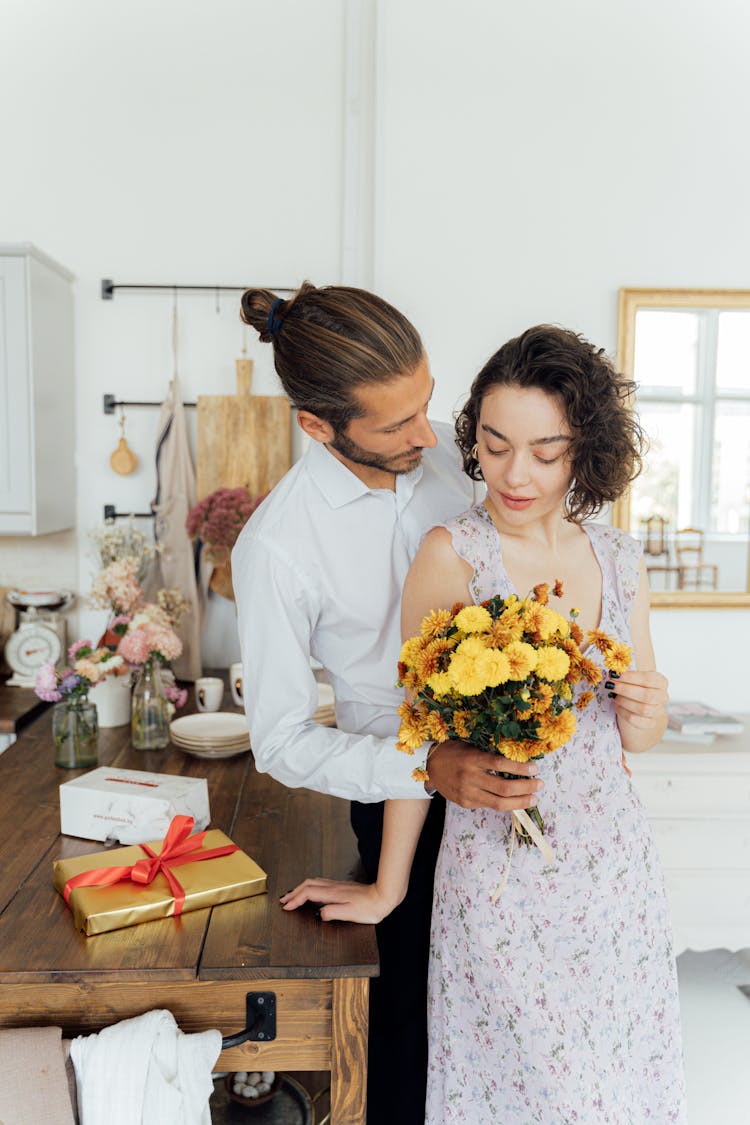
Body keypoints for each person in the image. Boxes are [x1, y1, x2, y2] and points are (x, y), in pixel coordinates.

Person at [282, 324, 688, 1123]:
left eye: (545, 451)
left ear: (585, 449)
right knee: (520, 1088)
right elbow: (420, 737)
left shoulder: (620, 557)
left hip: (614, 878)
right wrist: (389, 885)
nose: (515, 474)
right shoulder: (452, 555)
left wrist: (653, 705)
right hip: (500, 878)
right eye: (496, 445)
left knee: (615, 1084)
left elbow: (634, 736)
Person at [232, 283, 542, 1125]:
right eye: (395, 424)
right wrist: (426, 764)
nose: (427, 434)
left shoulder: (449, 455)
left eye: (426, 404)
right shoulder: (277, 547)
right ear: (318, 425)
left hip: (529, 793)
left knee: (520, 1037)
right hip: (410, 817)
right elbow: (282, 739)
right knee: (410, 1051)